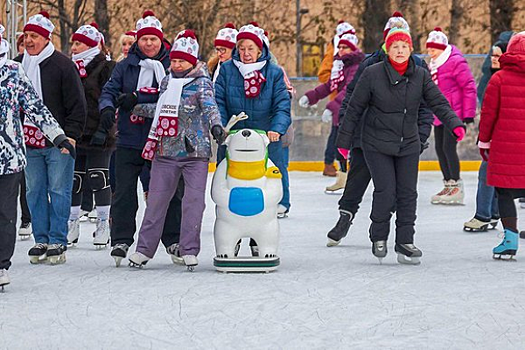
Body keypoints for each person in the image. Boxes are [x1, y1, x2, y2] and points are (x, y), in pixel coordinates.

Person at [336, 28, 465, 264]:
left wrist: (454, 124)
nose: (399, 51)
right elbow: (354, 108)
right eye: (395, 46)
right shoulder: (372, 73)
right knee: (386, 191)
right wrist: (344, 143)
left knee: (408, 194)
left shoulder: (420, 74)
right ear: (387, 49)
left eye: (404, 46)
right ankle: (379, 237)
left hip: (408, 143)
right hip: (376, 142)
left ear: (410, 50)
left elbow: (437, 101)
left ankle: (405, 241)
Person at [325, 12, 434, 247]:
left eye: (403, 42)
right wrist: (350, 131)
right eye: (392, 41)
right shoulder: (370, 63)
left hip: (401, 138)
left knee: (394, 189)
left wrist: (421, 134)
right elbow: (351, 99)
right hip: (368, 136)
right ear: (386, 41)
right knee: (357, 179)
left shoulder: (417, 66)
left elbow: (426, 105)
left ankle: (386, 231)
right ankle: (345, 216)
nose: (398, 47)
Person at [128, 32, 226, 269]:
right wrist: (136, 107)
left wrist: (216, 125)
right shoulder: (167, 81)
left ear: (192, 61)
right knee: (157, 201)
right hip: (166, 151)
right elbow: (162, 110)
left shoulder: (202, 82)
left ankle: (189, 249)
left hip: (195, 154)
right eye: (173, 61)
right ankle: (143, 250)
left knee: (193, 202)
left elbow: (210, 106)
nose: (176, 65)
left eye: (181, 61)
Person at [98, 10, 183, 266]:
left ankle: (173, 239)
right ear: (137, 41)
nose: (149, 44)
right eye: (144, 39)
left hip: (162, 141)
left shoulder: (173, 65)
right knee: (123, 191)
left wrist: (137, 98)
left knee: (167, 192)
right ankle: (121, 239)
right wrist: (106, 108)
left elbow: (170, 95)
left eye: (153, 40)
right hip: (129, 140)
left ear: (161, 41)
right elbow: (110, 90)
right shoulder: (125, 66)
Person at [0, 24, 75, 287]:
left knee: (5, 213)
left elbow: (35, 107)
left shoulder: (12, 70)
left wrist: (59, 136)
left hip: (7, 158)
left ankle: (0, 265)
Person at [17, 11, 87, 265]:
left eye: (34, 36)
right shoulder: (18, 65)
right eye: (26, 36)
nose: (29, 41)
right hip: (27, 141)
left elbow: (77, 104)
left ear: (46, 38)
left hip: (58, 141)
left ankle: (58, 239)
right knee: (34, 191)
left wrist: (72, 135)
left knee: (58, 190)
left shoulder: (62, 65)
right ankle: (41, 239)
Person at [215, 23, 291, 220]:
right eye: (241, 48)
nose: (246, 53)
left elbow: (282, 105)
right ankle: (229, 216)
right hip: (233, 135)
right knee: (227, 174)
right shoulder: (226, 70)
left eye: (250, 48)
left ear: (260, 50)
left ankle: (272, 211)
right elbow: (219, 101)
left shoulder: (273, 72)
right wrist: (222, 127)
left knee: (271, 173)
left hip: (265, 135)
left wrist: (276, 129)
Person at [66, 22, 116, 247]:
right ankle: (72, 223)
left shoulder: (106, 67)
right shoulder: (69, 67)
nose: (74, 47)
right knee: (74, 180)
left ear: (89, 45)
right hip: (75, 132)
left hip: (99, 132)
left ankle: (103, 224)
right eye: (73, 43)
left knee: (98, 177)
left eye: (78, 43)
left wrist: (104, 129)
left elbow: (110, 98)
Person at [478, 32, 525, 259]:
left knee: (504, 193)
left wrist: (484, 142)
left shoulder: (498, 79)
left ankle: (510, 239)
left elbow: (488, 115)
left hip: (506, 150)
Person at [299, 32, 364, 193]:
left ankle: (353, 181)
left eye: (346, 47)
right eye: (340, 47)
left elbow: (350, 90)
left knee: (351, 149)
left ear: (353, 49)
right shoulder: (341, 66)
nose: (341, 50)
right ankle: (343, 179)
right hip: (341, 113)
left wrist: (331, 107)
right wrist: (310, 96)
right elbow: (329, 86)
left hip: (353, 114)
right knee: (339, 146)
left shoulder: (356, 67)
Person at [426, 27, 477, 205]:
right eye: (428, 49)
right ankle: (448, 184)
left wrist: (468, 114)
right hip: (440, 114)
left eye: (432, 49)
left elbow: (469, 86)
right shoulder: (433, 64)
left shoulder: (456, 61)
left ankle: (456, 185)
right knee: (440, 148)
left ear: (441, 48)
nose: (429, 52)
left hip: (454, 114)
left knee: (448, 148)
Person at [463, 41, 509, 232]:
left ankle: (483, 215)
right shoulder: (489, 77)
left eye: (498, 56)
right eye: (492, 55)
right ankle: (492, 213)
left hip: (504, 136)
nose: (494, 59)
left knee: (487, 173)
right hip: (495, 135)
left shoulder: (506, 78)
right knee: (492, 174)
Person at [316, 20, 356, 177]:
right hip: (337, 100)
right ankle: (330, 164)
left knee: (350, 132)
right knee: (337, 132)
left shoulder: (353, 53)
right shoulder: (332, 52)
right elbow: (323, 74)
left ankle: (348, 165)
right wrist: (337, 82)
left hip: (353, 98)